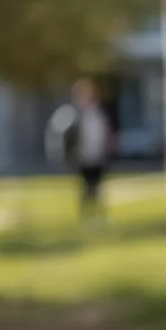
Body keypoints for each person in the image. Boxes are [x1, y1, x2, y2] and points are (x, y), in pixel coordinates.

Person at [46, 78, 115, 225]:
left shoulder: (98, 112)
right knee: (86, 187)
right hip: (83, 156)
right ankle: (86, 216)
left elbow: (104, 131)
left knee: (97, 187)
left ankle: (98, 215)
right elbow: (65, 134)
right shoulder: (74, 114)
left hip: (98, 154)